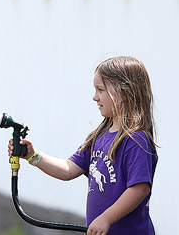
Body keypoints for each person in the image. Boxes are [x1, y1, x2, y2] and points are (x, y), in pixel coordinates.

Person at [9, 56, 158, 235]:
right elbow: (68, 169)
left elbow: (139, 188)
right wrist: (33, 155)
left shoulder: (136, 140)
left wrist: (106, 218)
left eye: (100, 90)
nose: (95, 97)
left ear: (125, 92)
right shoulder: (99, 137)